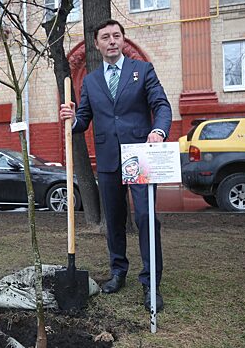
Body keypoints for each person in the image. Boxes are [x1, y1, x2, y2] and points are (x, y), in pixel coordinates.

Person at [59, 19, 172, 312]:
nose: (111, 41)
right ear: (97, 44)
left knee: (146, 218)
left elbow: (161, 105)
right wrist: (70, 119)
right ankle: (118, 271)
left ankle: (150, 283)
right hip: (109, 160)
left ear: (122, 40)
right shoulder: (92, 81)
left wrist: (158, 131)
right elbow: (83, 119)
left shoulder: (142, 71)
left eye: (116, 36)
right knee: (114, 219)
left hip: (141, 155)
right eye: (105, 37)